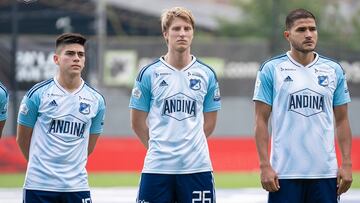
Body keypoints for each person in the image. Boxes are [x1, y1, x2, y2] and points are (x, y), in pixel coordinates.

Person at [253, 8, 352, 203]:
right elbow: (261, 121)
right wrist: (265, 165)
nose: (308, 34)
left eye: (312, 29)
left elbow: (342, 120)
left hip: (325, 174)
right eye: (301, 30)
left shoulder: (333, 70)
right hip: (284, 174)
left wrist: (347, 164)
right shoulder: (271, 69)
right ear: (287, 35)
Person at [129, 6, 221, 203]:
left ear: (193, 34)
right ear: (165, 34)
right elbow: (137, 123)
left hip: (197, 167)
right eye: (176, 29)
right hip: (157, 168)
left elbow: (210, 122)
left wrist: (189, 147)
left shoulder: (207, 74)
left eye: (187, 29)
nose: (182, 33)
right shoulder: (149, 73)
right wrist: (158, 147)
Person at [17, 33, 106, 203]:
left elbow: (89, 146)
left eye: (81, 54)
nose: (76, 58)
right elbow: (22, 139)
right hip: (39, 186)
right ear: (56, 59)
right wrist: (40, 167)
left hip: (76, 186)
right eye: (70, 54)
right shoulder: (37, 94)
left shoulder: (97, 100)